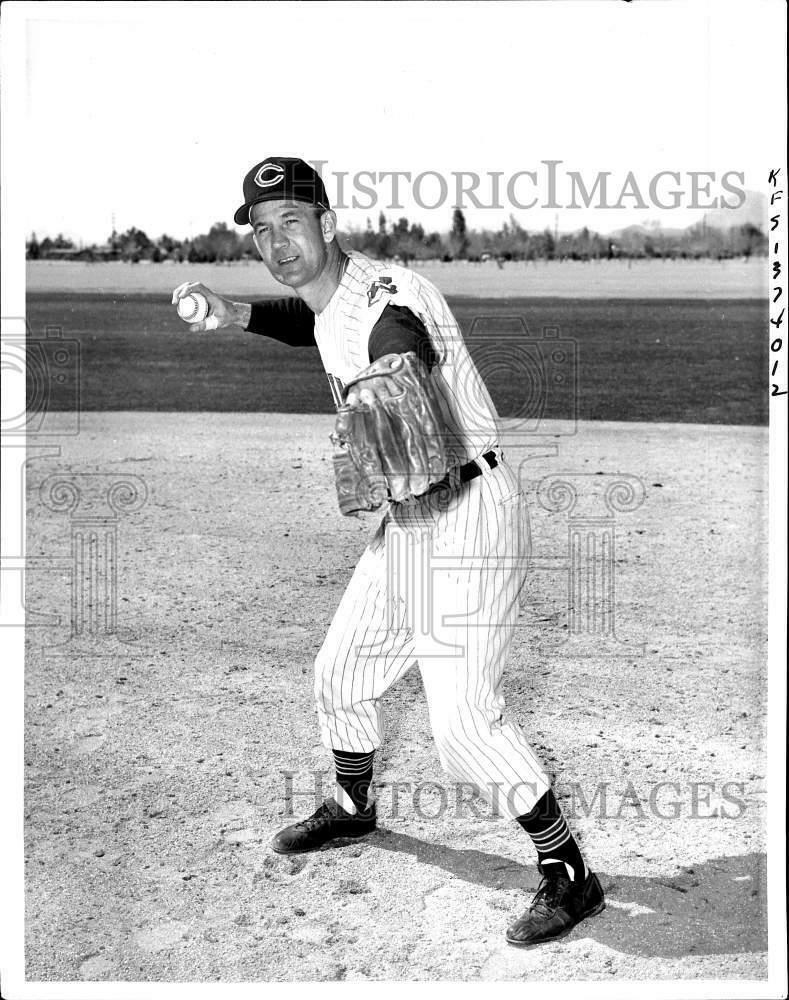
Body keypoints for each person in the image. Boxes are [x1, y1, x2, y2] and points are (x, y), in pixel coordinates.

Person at [173, 156, 605, 947]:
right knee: (339, 671)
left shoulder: (387, 297)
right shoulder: (330, 295)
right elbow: (313, 323)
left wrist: (390, 373)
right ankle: (352, 805)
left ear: (327, 223)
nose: (278, 243)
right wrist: (234, 314)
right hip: (410, 522)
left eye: (292, 224)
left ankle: (569, 875)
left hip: (470, 517)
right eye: (263, 230)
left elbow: (395, 340)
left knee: (463, 722)